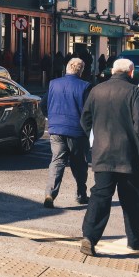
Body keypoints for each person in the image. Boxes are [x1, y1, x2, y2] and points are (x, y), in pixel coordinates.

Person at [79, 57, 139, 256]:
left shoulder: (97, 90)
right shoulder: (134, 92)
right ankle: (135, 240)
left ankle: (89, 237)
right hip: (128, 156)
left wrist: (95, 139)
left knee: (100, 196)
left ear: (113, 71)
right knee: (133, 201)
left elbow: (85, 120)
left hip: (102, 154)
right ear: (130, 72)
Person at [42, 57, 92, 209]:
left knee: (57, 161)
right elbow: (89, 111)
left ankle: (50, 194)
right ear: (81, 70)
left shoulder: (53, 83)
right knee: (79, 164)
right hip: (77, 131)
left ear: (67, 68)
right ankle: (81, 195)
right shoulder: (85, 86)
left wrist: (51, 118)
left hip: (56, 129)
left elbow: (43, 104)